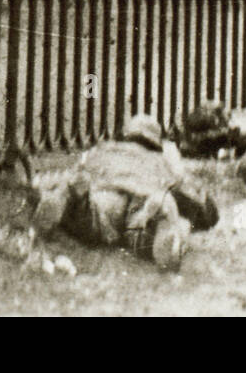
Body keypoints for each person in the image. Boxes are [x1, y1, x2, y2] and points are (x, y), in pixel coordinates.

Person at [34, 114, 219, 271]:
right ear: (156, 142)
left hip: (105, 200)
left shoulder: (104, 149)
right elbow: (195, 200)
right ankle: (167, 233)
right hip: (141, 206)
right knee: (157, 218)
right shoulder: (159, 159)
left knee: (81, 199)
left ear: (126, 134)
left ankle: (68, 196)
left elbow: (82, 169)